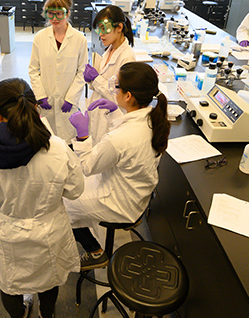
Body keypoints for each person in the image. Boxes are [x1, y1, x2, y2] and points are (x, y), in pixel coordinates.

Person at [0, 78, 84, 318]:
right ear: (35, 108)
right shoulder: (58, 149)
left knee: (11, 283)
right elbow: (75, 190)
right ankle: (46, 313)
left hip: (10, 233)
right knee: (49, 278)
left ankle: (19, 314)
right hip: (49, 231)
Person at [65, 62, 171, 271]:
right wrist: (115, 112)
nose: (113, 88)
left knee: (60, 203)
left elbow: (87, 166)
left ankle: (95, 251)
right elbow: (128, 141)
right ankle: (93, 241)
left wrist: (82, 135)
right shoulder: (153, 118)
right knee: (73, 186)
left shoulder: (119, 139)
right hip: (133, 193)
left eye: (116, 85)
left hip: (119, 202)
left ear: (129, 95)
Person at [28, 0, 88, 145]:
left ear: (67, 13)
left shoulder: (79, 39)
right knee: (48, 142)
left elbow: (82, 71)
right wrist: (40, 95)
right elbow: (33, 69)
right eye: (50, 14)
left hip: (67, 102)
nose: (54, 19)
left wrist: (71, 98)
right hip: (46, 99)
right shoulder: (40, 38)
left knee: (68, 143)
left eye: (59, 14)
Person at [83, 5, 136, 145]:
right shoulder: (110, 49)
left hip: (111, 121)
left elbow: (122, 98)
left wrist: (96, 79)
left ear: (119, 27)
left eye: (104, 28)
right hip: (99, 116)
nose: (100, 34)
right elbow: (103, 84)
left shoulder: (127, 58)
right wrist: (91, 80)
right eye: (98, 29)